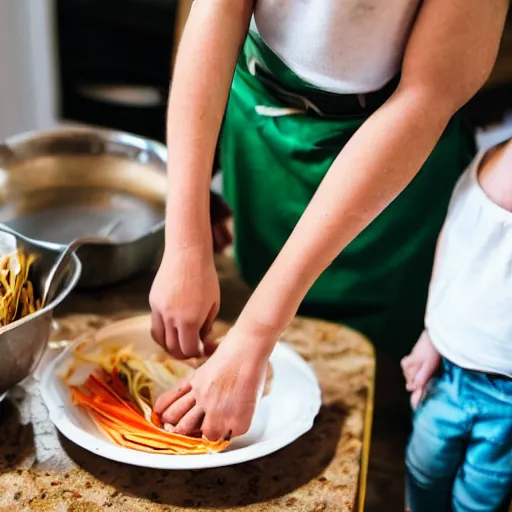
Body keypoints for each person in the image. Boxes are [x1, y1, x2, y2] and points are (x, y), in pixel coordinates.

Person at [149, 0, 508, 441]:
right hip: (261, 114)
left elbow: (425, 95)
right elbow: (218, 9)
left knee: (381, 389)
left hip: (391, 159)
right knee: (259, 277)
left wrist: (255, 333)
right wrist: (186, 236)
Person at [401, 139, 512, 511]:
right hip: (449, 370)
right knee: (423, 471)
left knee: (479, 498)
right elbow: (456, 257)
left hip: (507, 402)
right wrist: (432, 332)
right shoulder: (493, 162)